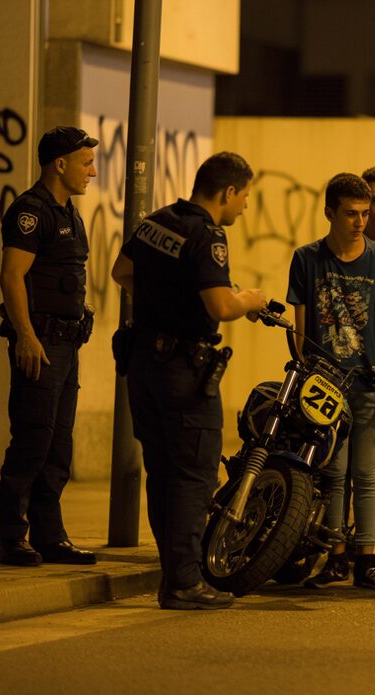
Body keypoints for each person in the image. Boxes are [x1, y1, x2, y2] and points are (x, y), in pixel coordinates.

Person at [110, 152, 267, 610]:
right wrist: (250, 299)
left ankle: (174, 574)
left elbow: (123, 273)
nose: (243, 208)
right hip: (183, 370)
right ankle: (184, 582)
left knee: (162, 472)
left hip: (143, 363)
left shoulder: (156, 220)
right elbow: (220, 306)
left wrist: (164, 304)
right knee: (193, 475)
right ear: (227, 192)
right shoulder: (207, 234)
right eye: (244, 198)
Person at [288, 172, 375, 590]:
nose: (361, 221)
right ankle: (336, 555)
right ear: (329, 213)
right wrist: (305, 373)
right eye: (351, 214)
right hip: (326, 384)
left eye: (364, 213)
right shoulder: (307, 258)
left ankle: (367, 557)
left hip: (369, 383)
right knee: (334, 473)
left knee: (367, 473)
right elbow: (299, 326)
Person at [0, 126, 99, 568]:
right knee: (33, 440)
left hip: (65, 345)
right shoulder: (31, 212)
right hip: (40, 343)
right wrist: (26, 335)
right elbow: (11, 276)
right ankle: (10, 537)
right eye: (86, 163)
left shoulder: (68, 212)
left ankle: (50, 536)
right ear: (60, 164)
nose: (92, 171)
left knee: (58, 445)